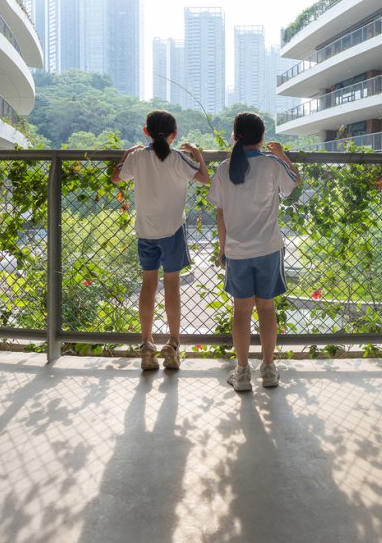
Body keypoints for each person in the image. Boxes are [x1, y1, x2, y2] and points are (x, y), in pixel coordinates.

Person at [207, 112, 300, 392]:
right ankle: (269, 369)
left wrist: (223, 250)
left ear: (235, 137)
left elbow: (220, 214)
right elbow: (294, 182)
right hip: (268, 249)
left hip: (237, 251)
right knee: (267, 308)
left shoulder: (224, 168)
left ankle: (242, 371)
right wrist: (282, 155)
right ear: (262, 138)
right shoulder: (271, 165)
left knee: (241, 311)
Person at [112, 110, 210, 371]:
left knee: (148, 285)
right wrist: (198, 154)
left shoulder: (137, 157)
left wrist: (124, 155)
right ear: (174, 135)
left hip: (146, 231)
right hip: (173, 231)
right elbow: (204, 178)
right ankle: (173, 343)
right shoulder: (179, 158)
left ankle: (146, 343)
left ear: (146, 132)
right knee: (172, 285)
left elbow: (115, 178)